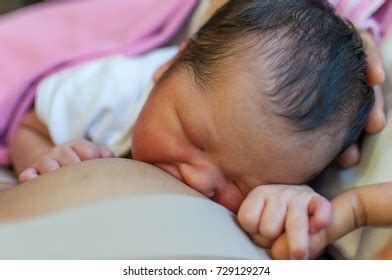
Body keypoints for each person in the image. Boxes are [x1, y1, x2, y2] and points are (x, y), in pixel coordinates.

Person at [8, 0, 388, 259]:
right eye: (192, 136)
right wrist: (46, 157)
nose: (201, 181)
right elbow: (29, 126)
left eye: (241, 186)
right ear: (170, 65)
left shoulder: (287, 167)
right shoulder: (111, 91)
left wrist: (292, 207)